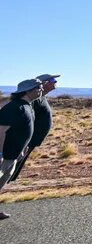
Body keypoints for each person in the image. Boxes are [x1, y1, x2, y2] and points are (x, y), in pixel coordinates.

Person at [0, 78, 42, 221]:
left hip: (13, 154)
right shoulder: (14, 107)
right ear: (28, 91)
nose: (41, 90)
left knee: (3, 181)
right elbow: (1, 131)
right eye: (38, 87)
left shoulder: (27, 106)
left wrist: (22, 149)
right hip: (4, 154)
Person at [10, 74, 60, 182]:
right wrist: (25, 141)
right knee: (11, 165)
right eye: (53, 80)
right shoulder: (34, 99)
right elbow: (27, 118)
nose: (55, 82)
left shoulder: (41, 97)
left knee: (15, 166)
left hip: (31, 140)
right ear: (44, 83)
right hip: (26, 140)